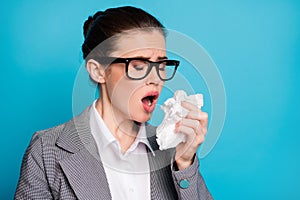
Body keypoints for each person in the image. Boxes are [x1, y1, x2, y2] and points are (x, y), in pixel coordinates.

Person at [15, 6, 212, 200]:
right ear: (98, 71)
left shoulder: (172, 151)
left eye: (161, 65)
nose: (155, 78)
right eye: (138, 65)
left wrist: (185, 164)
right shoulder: (45, 150)